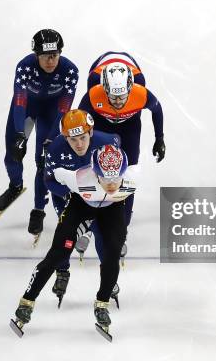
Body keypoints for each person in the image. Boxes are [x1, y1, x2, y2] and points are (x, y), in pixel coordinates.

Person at [11, 144, 137, 339]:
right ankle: (27, 300)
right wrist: (66, 194)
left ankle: (102, 304)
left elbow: (126, 204)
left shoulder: (132, 179)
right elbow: (51, 176)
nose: (112, 184)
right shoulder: (77, 179)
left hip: (112, 209)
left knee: (113, 251)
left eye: (116, 178)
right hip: (81, 206)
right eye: (106, 178)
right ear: (96, 174)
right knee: (58, 254)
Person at [77, 52, 164, 255]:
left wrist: (159, 138)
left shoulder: (140, 90)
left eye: (122, 96)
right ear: (104, 89)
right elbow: (81, 121)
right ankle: (89, 224)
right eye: (113, 97)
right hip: (100, 123)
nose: (117, 102)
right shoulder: (93, 90)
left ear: (130, 89)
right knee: (93, 169)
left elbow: (157, 110)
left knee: (128, 174)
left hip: (130, 125)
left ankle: (120, 231)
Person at [0, 29, 78, 240]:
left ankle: (39, 210)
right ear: (35, 55)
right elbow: (20, 99)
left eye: (54, 56)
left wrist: (51, 137)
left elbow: (64, 108)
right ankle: (15, 186)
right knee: (13, 154)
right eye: (44, 56)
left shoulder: (70, 70)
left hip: (53, 112)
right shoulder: (25, 66)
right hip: (27, 107)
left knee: (43, 162)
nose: (50, 61)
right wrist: (20, 135)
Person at [44, 109, 122, 306]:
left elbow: (121, 163)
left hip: (97, 198)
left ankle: (108, 275)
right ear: (65, 138)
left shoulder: (107, 143)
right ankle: (62, 270)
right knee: (65, 240)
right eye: (72, 140)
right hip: (69, 198)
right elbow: (48, 181)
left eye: (82, 138)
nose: (79, 144)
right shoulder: (55, 150)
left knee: (102, 236)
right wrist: (69, 195)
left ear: (91, 133)